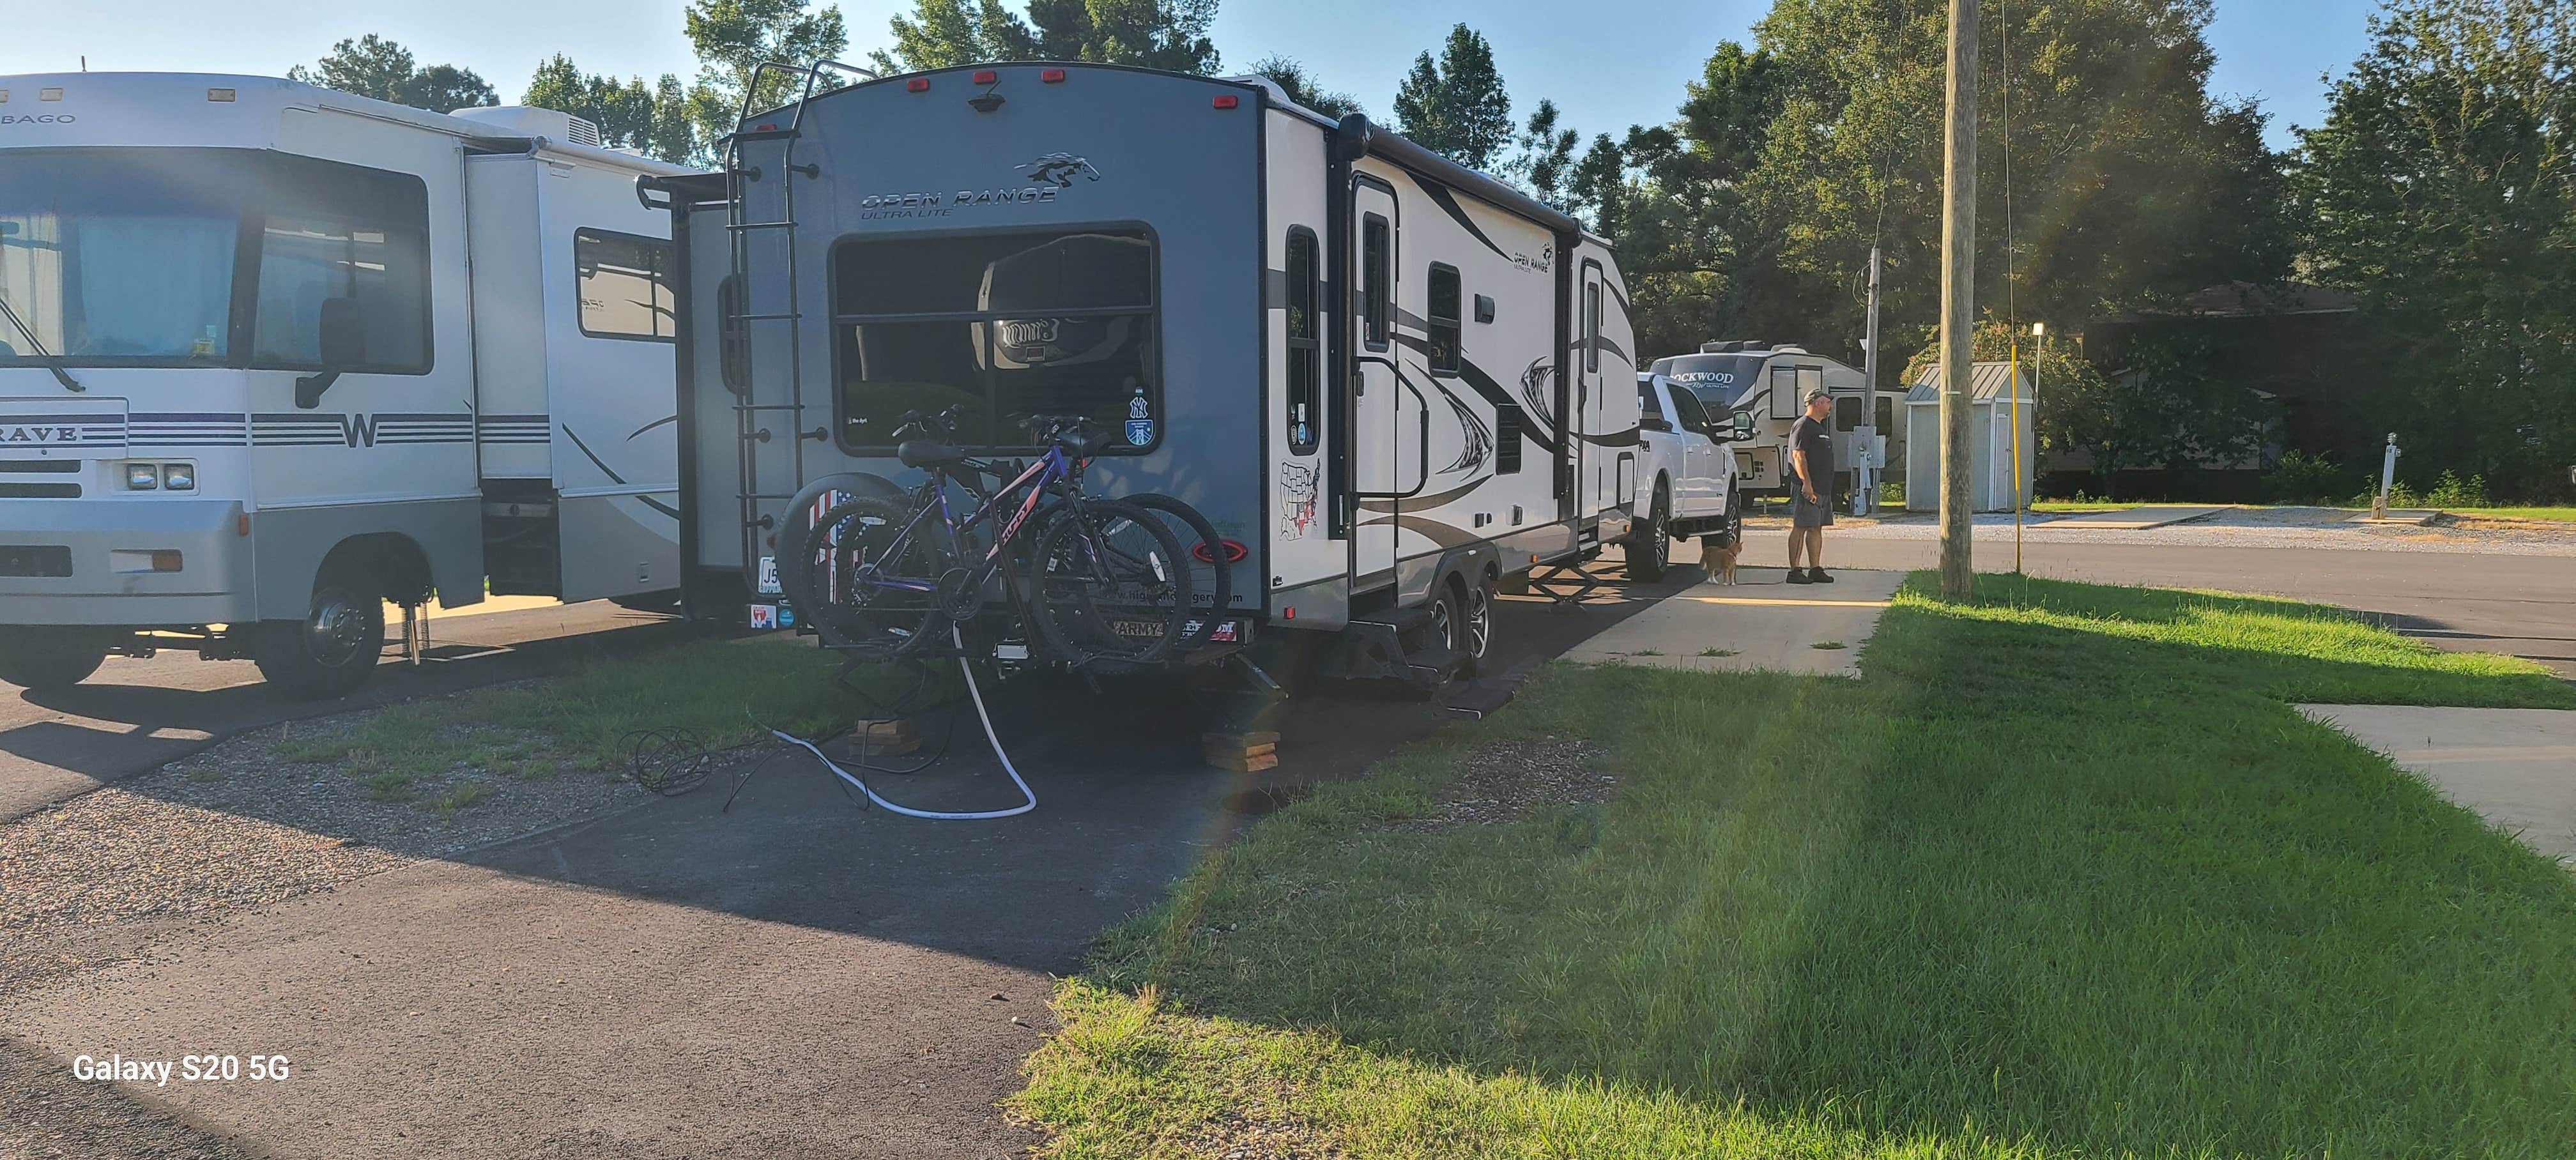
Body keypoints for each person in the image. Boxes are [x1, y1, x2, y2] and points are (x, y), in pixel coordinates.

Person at [1786, 388, 1836, 584]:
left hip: (1822, 488)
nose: (1830, 405)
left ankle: (1815, 568)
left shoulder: (1819, 427)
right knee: (1801, 526)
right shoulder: (1804, 425)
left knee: (1816, 527)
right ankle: (1794, 571)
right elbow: (1799, 455)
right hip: (1807, 487)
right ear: (1817, 403)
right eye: (1827, 402)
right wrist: (1806, 482)